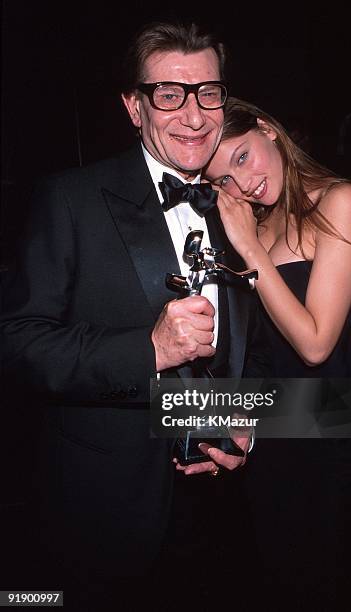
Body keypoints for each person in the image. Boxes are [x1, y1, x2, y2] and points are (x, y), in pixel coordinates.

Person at [0, 26, 261, 610]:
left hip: (223, 521)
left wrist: (248, 426)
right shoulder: (70, 198)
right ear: (134, 106)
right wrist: (148, 349)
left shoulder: (244, 208)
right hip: (101, 512)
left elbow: (258, 351)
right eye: (169, 94)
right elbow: (14, 342)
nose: (193, 115)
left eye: (208, 93)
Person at [205, 97, 351, 609]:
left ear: (267, 130)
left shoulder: (341, 201)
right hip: (271, 437)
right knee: (272, 580)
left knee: (319, 584)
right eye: (225, 182)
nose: (243, 184)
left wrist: (252, 254)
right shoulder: (257, 225)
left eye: (242, 157)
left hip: (328, 431)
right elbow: (260, 350)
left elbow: (316, 345)